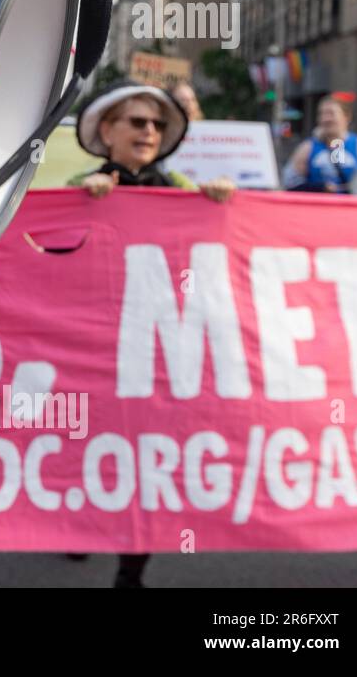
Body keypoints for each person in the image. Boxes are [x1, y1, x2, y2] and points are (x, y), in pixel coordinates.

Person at [66, 81, 234, 587]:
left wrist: (219, 204)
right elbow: (40, 252)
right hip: (89, 348)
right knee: (84, 447)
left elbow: (214, 248)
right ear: (107, 130)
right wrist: (81, 204)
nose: (149, 132)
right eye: (137, 122)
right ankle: (73, 522)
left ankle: (131, 568)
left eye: (157, 124)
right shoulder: (77, 186)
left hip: (151, 353)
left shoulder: (181, 187)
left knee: (144, 458)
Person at [282, 94, 357, 193]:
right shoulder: (307, 148)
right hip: (318, 206)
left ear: (347, 117)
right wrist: (318, 187)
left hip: (353, 207)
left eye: (331, 113)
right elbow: (290, 184)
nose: (326, 119)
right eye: (322, 114)